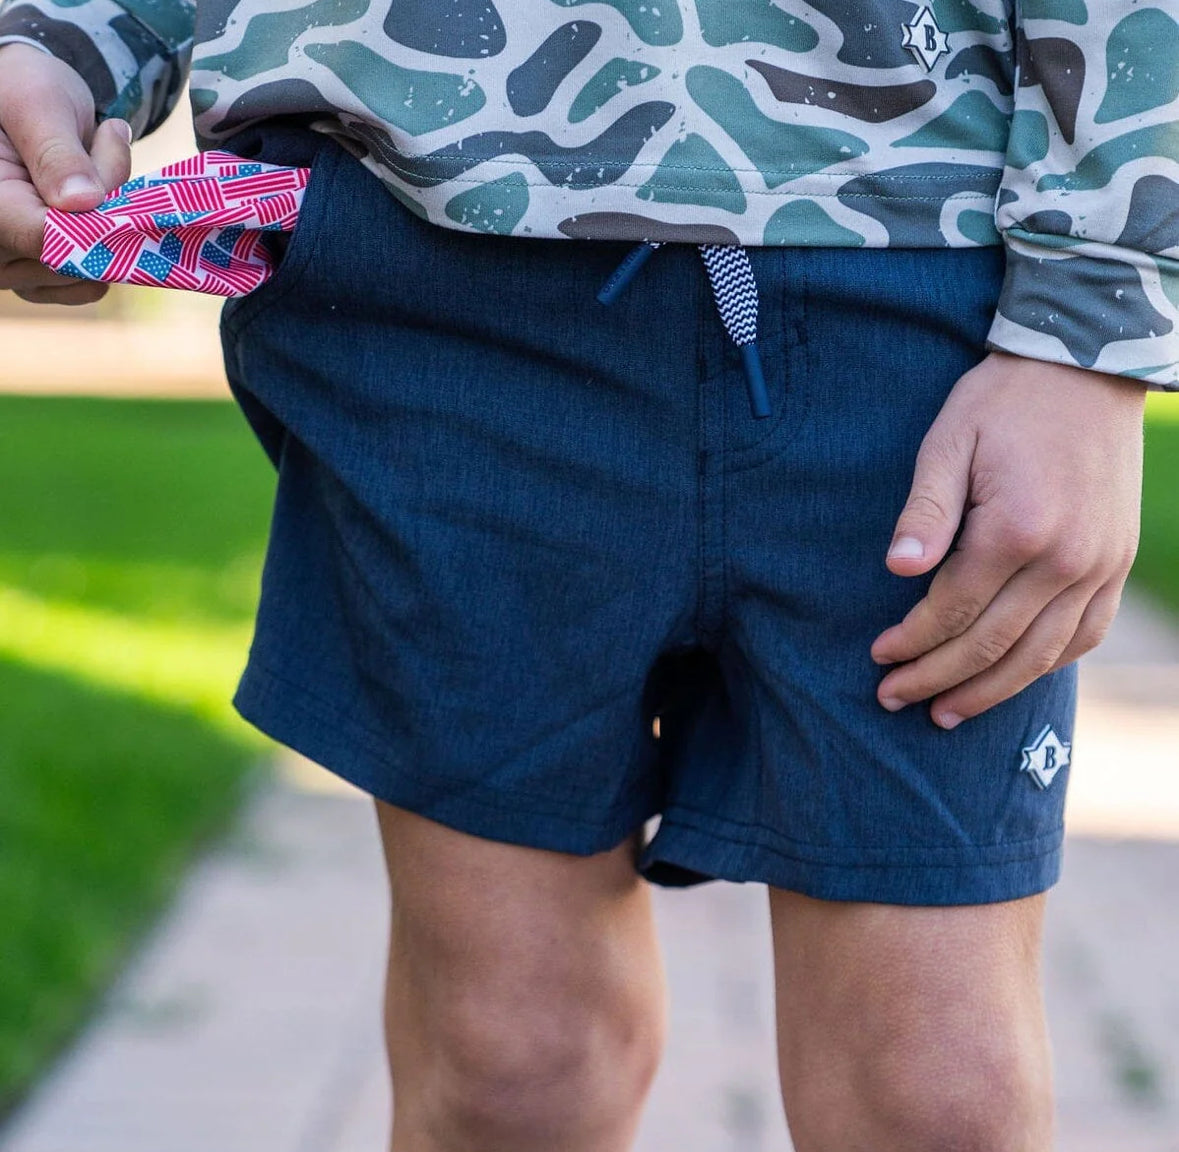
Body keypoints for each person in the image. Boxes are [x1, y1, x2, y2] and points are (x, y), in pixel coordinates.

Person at [0, 2, 1170, 1148]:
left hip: (916, 258)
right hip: (438, 251)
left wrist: (1095, 319)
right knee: (512, 1075)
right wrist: (59, 40)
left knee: (939, 1101)